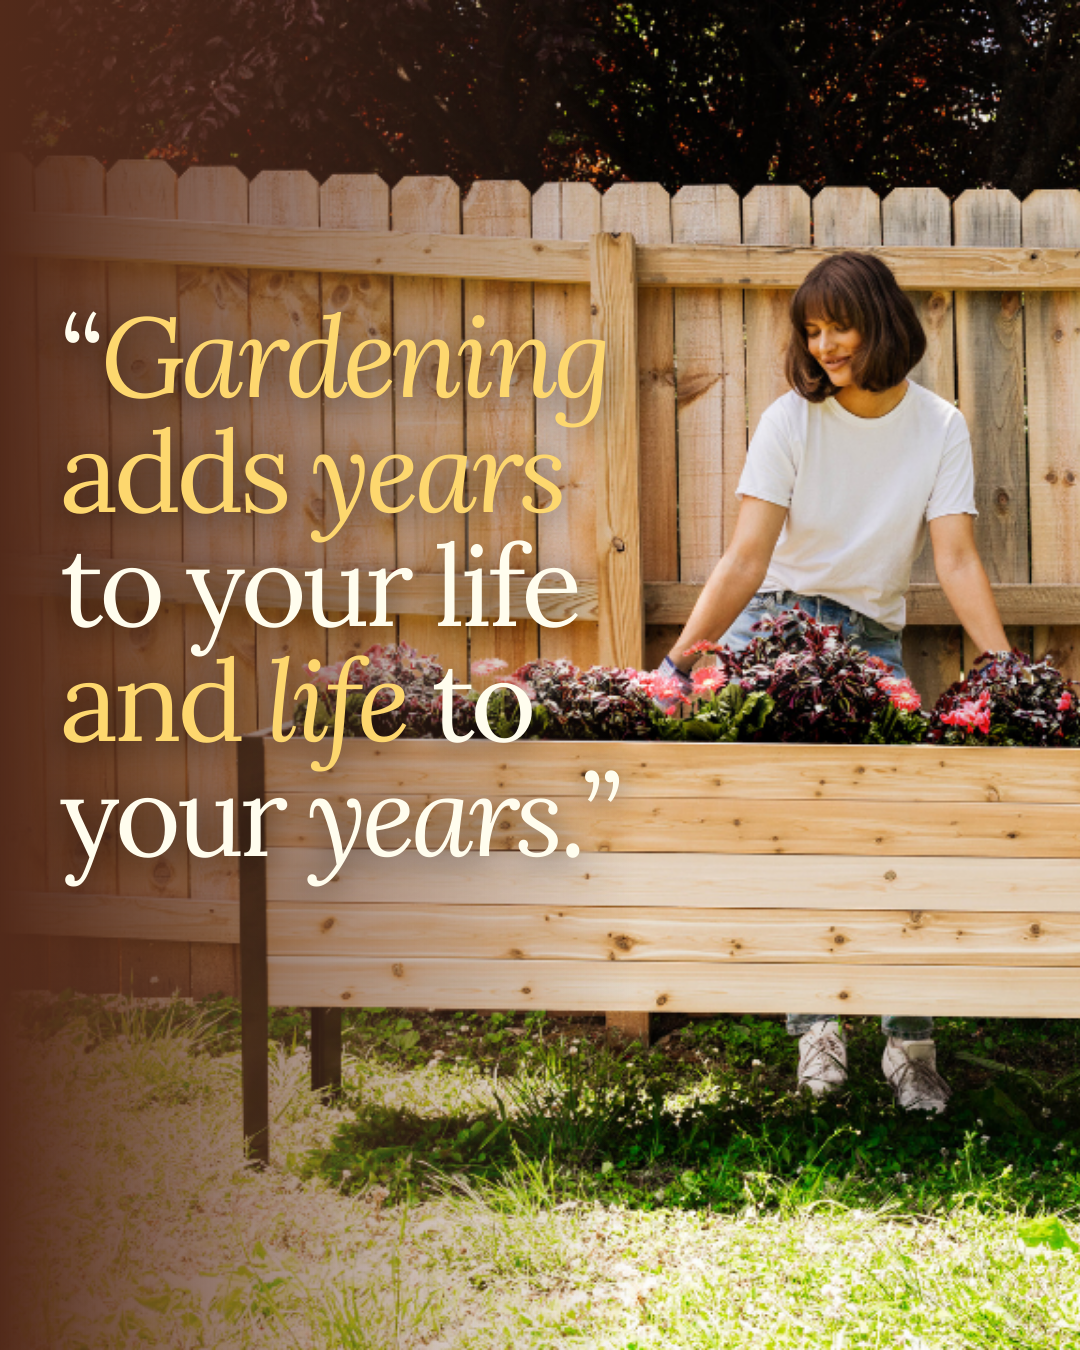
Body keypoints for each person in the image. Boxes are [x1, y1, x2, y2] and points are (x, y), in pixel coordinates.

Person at [659, 251, 1012, 1114]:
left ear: (881, 322)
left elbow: (957, 557)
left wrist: (1004, 669)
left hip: (872, 646)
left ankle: (909, 1046)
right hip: (776, 634)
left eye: (838, 326)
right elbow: (746, 557)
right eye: (811, 331)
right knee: (795, 838)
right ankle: (817, 1029)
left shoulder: (940, 426)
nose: (823, 346)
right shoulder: (793, 421)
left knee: (901, 838)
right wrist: (678, 662)